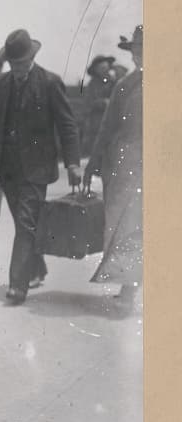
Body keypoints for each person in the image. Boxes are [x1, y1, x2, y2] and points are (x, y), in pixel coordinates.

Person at [0, 29, 82, 305]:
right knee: (25, 223)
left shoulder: (49, 83)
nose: (18, 69)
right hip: (6, 167)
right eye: (13, 64)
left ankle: (17, 286)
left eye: (22, 64)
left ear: (32, 58)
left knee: (25, 224)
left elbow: (67, 125)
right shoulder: (1, 84)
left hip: (36, 168)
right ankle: (37, 267)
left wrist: (72, 162)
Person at [85, 26, 143, 310]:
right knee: (128, 226)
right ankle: (130, 288)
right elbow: (106, 129)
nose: (140, 54)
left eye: (145, 48)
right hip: (126, 165)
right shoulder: (124, 85)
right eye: (137, 49)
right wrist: (92, 165)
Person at [80, 55, 117, 157]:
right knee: (98, 149)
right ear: (96, 70)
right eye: (101, 68)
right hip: (97, 120)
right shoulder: (93, 84)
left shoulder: (114, 81)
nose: (104, 71)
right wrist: (102, 102)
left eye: (106, 68)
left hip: (113, 119)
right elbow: (88, 103)